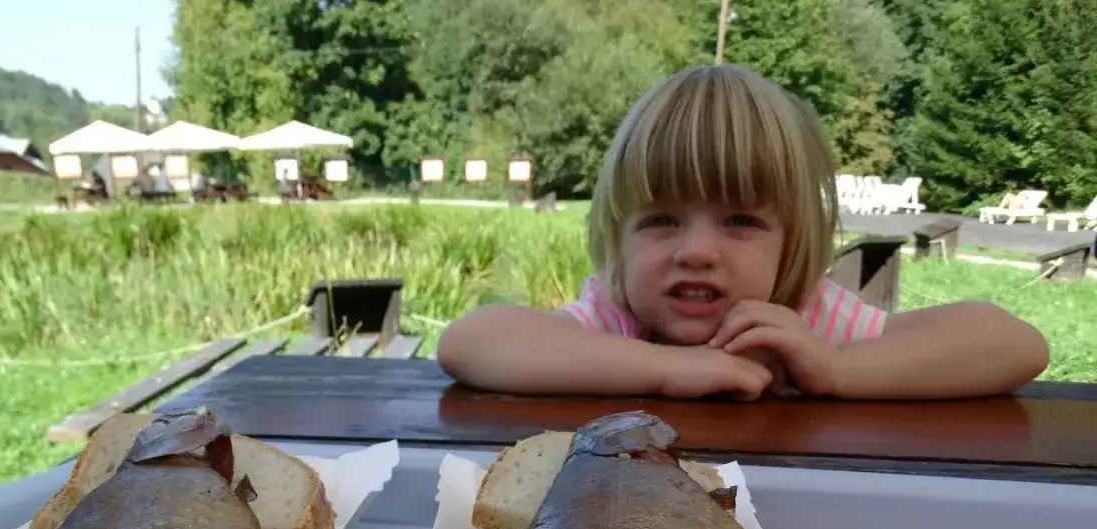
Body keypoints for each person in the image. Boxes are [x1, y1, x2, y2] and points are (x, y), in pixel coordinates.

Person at [436, 66, 1049, 401]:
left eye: (741, 221)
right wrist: (662, 369)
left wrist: (835, 368)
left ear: (792, 240)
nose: (697, 251)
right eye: (661, 220)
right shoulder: (616, 319)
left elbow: (1014, 344)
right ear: (617, 238)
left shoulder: (803, 321)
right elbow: (470, 341)